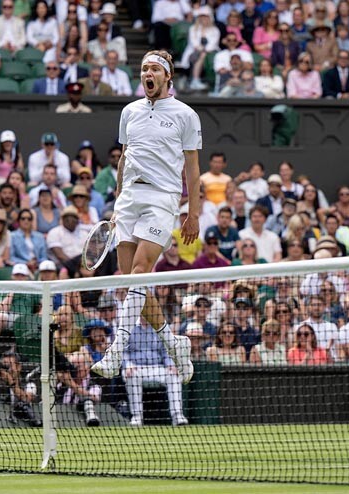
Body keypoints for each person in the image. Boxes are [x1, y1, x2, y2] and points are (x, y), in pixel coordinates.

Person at [91, 51, 199, 386]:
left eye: (153, 69)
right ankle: (173, 342)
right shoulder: (129, 111)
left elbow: (193, 170)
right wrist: (118, 201)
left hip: (162, 199)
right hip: (129, 200)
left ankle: (116, 352)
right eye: (143, 69)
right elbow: (125, 158)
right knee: (131, 282)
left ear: (167, 76)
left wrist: (192, 212)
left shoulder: (185, 115)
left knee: (139, 271)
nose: (147, 73)